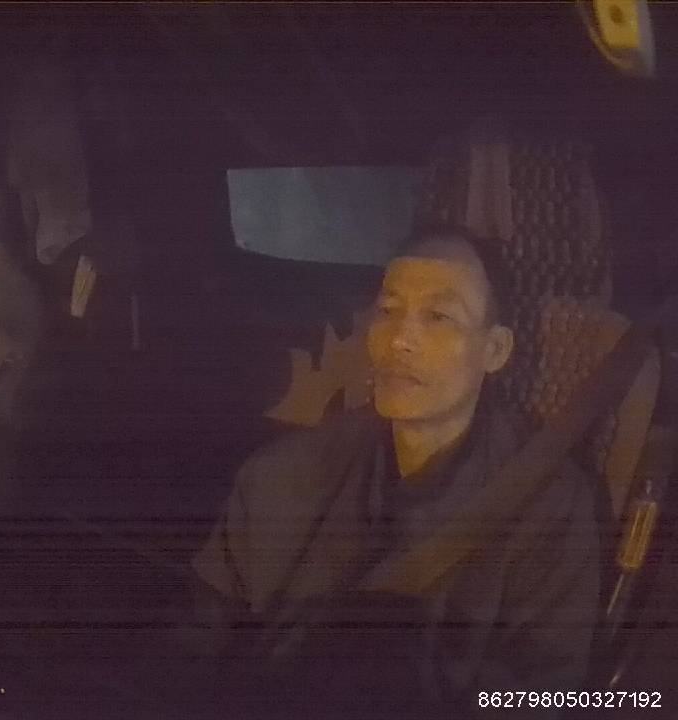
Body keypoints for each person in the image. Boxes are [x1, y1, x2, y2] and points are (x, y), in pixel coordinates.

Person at [183, 224, 601, 716]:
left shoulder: (549, 506)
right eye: (388, 311)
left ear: (495, 351)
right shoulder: (282, 475)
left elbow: (548, 693)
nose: (400, 339)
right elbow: (195, 645)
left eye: (439, 316)